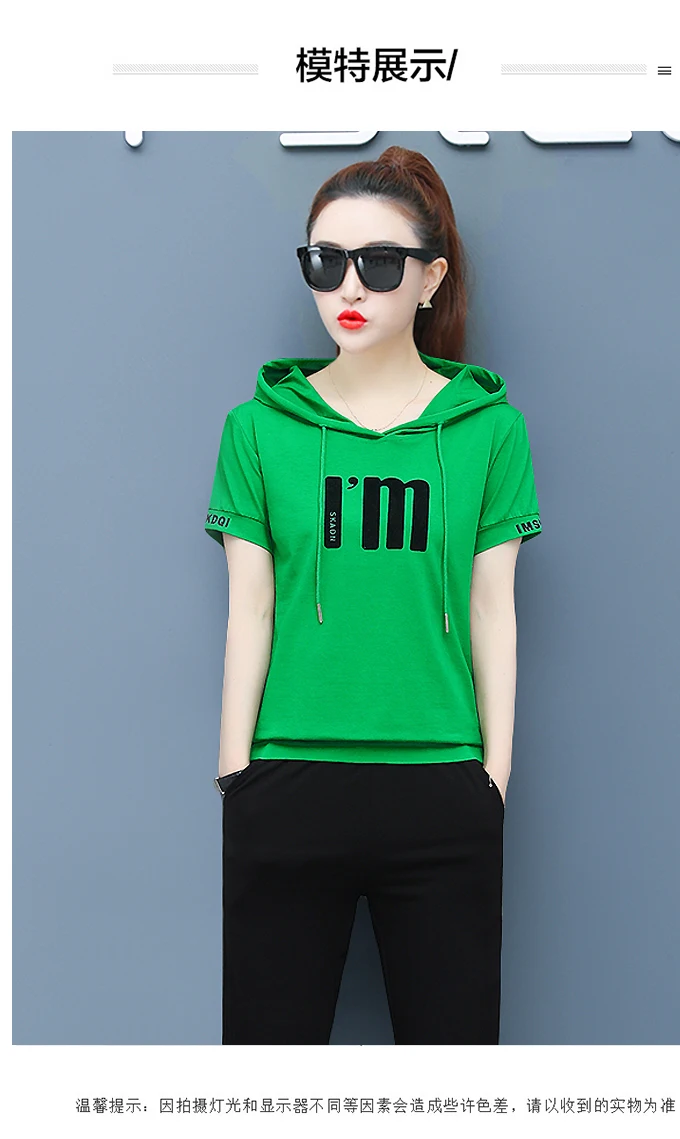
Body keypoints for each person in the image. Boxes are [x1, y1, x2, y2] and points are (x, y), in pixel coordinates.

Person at [204, 145, 542, 1045]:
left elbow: (492, 609)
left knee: (451, 1075)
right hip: (287, 779)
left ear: (431, 278)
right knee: (265, 1080)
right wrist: (237, 772)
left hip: (442, 783)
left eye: (380, 263)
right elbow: (251, 607)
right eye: (326, 262)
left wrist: (493, 777)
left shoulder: (491, 433)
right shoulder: (258, 429)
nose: (348, 286)